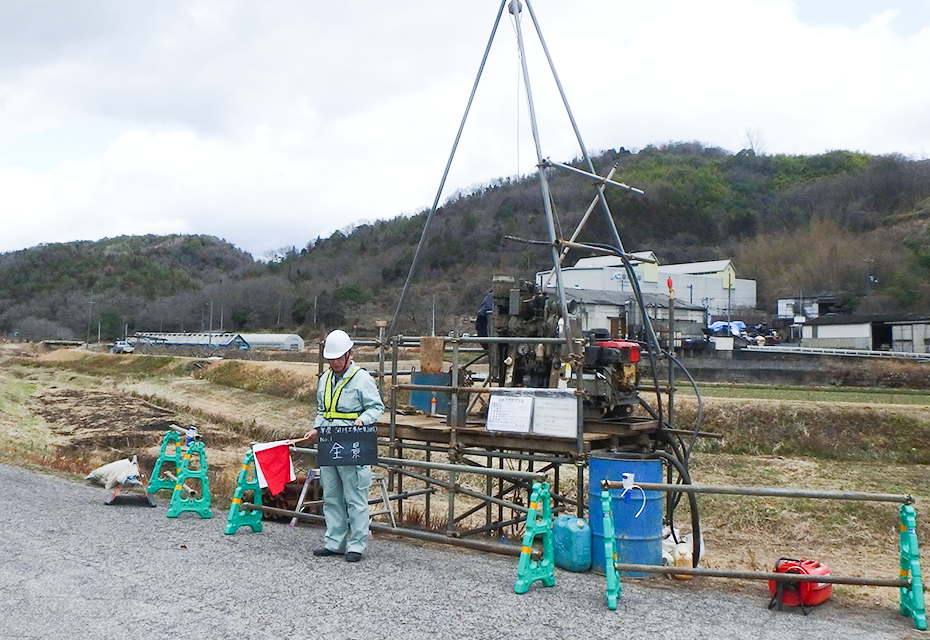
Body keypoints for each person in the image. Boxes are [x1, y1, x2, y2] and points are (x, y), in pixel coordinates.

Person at [303, 329, 384, 562]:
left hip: (352, 441)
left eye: (339, 358)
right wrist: (317, 429)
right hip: (329, 441)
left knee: (355, 495)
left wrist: (363, 420)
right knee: (331, 494)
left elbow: (376, 407)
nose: (335, 363)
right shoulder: (325, 380)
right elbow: (322, 410)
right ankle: (334, 542)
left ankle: (356, 545)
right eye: (332, 359)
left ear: (350, 354)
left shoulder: (362, 379)